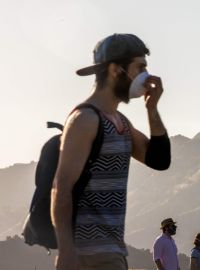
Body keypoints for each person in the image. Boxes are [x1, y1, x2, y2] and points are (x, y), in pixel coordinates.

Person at [51, 33, 171, 270]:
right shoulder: (85, 119)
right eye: (140, 68)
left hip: (112, 251)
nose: (145, 76)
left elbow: (159, 160)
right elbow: (61, 188)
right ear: (116, 70)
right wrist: (66, 252)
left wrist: (152, 109)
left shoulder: (121, 122)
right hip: (88, 254)